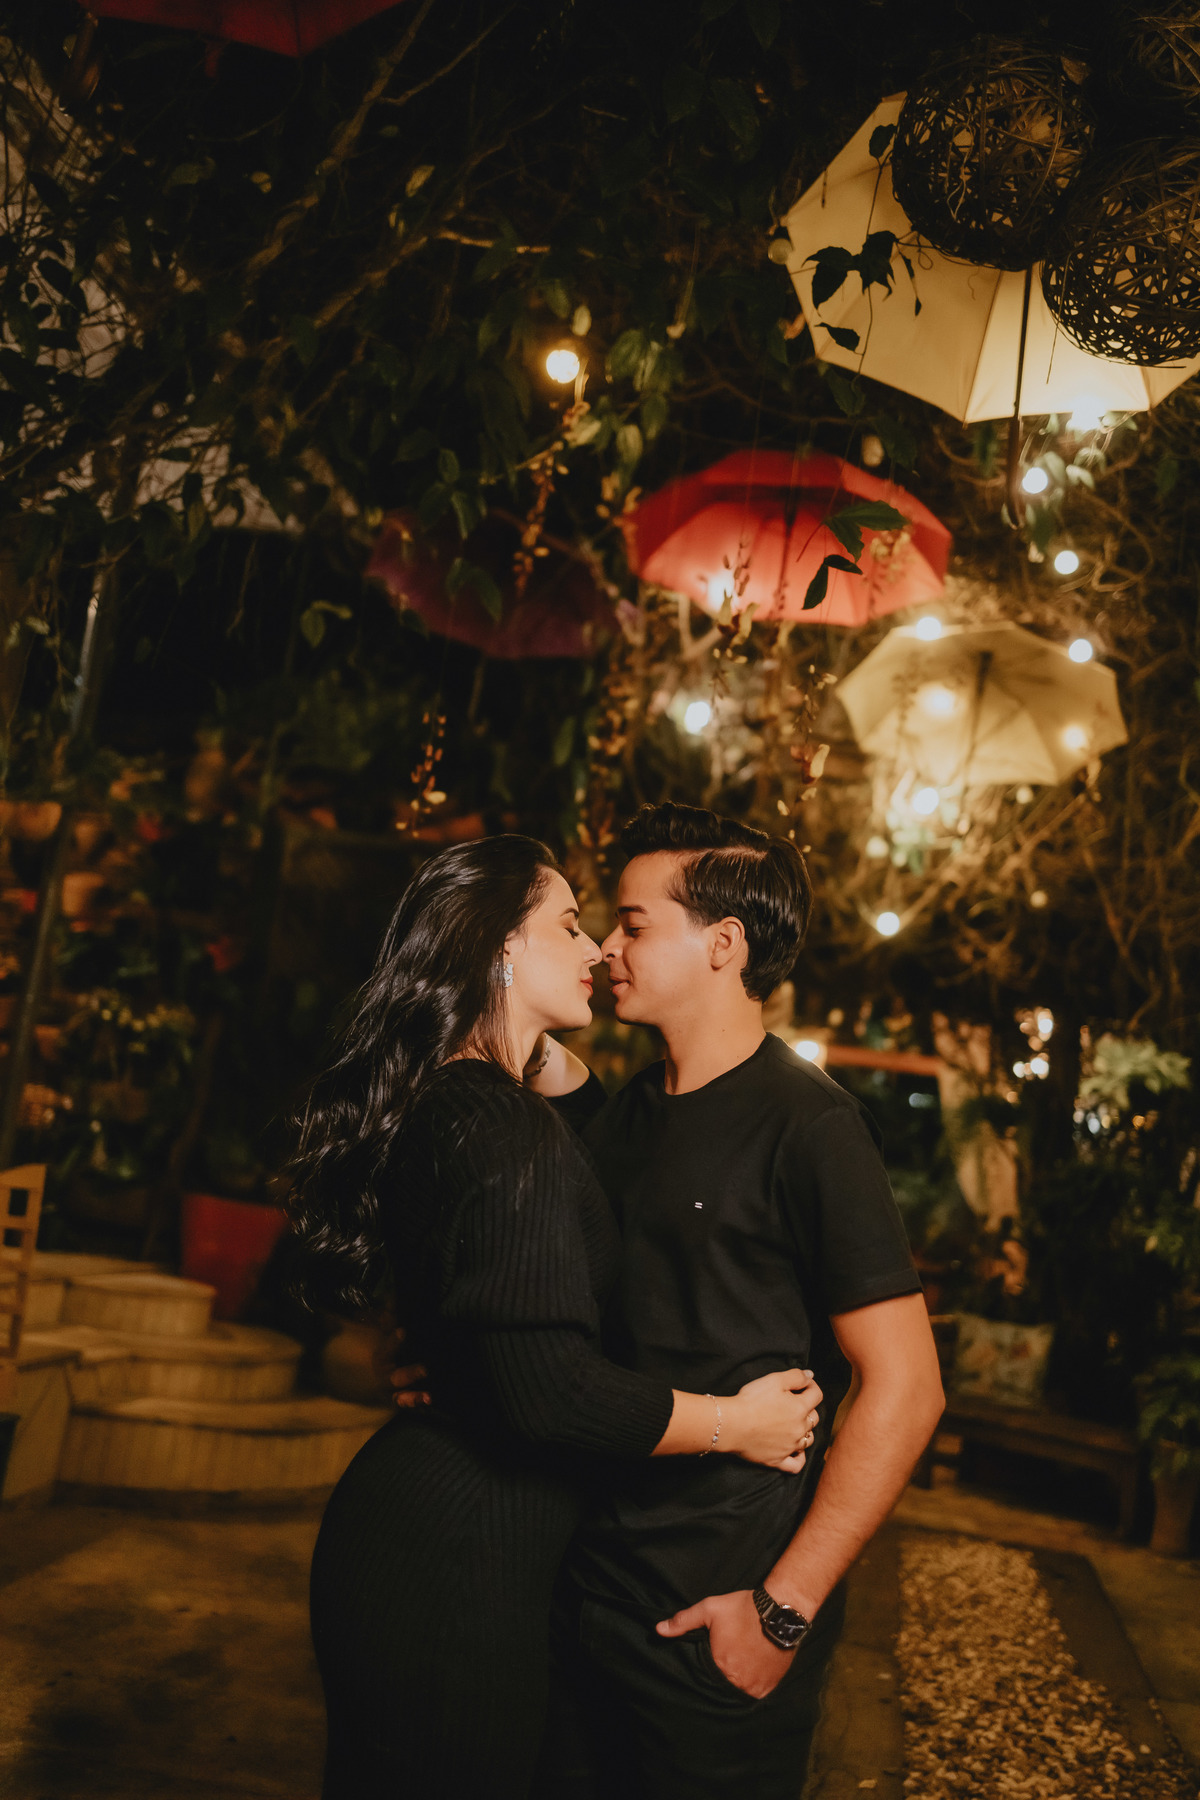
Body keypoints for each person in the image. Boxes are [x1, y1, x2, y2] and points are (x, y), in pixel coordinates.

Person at [284, 833, 823, 1800]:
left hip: (437, 1529)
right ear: (499, 945)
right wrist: (736, 1423)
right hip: (459, 1548)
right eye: (570, 926)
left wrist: (518, 1027)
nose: (596, 949)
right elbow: (552, 1395)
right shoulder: (502, 1128)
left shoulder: (464, 1102)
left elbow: (578, 1143)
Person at [522, 803, 946, 1800]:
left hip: (719, 1616)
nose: (608, 947)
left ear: (723, 944)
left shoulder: (812, 1127)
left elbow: (907, 1387)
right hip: (585, 1590)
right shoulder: (625, 1117)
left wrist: (781, 1612)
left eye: (634, 924)